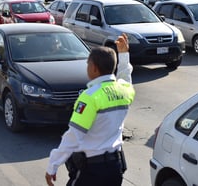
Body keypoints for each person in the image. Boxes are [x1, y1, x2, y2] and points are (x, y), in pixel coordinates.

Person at [45, 33, 135, 186]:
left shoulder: (90, 97)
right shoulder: (124, 90)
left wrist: (53, 165)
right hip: (115, 168)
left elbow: (74, 135)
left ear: (94, 68)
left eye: (88, 64)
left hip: (92, 171)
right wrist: (124, 55)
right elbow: (126, 77)